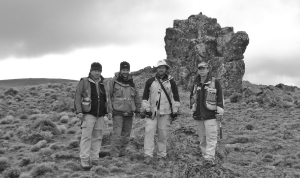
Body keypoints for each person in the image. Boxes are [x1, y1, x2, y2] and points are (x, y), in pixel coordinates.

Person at [141, 59, 180, 164]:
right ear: (156, 69)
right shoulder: (150, 81)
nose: (161, 69)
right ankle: (148, 155)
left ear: (166, 69)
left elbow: (175, 97)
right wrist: (147, 109)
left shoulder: (171, 81)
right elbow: (145, 97)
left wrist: (174, 110)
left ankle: (161, 155)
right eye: (159, 67)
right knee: (149, 133)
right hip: (151, 113)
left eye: (163, 67)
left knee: (163, 135)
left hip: (166, 112)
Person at [189, 61, 224, 166]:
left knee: (211, 137)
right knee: (202, 138)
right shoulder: (195, 83)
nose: (202, 70)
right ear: (198, 70)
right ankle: (205, 156)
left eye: (204, 68)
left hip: (211, 116)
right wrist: (192, 108)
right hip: (198, 116)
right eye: (200, 69)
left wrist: (220, 111)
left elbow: (220, 97)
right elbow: (191, 98)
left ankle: (209, 158)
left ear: (208, 69)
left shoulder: (215, 82)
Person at [74, 62, 107, 169]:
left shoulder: (104, 83)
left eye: (99, 71)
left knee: (97, 137)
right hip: (88, 114)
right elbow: (78, 96)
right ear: (91, 71)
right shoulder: (84, 81)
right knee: (86, 137)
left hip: (100, 115)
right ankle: (84, 160)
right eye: (95, 70)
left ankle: (94, 158)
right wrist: (79, 111)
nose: (97, 73)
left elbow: (107, 98)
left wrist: (108, 111)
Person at [107, 61, 142, 157]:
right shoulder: (113, 81)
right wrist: (109, 110)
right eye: (123, 70)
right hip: (117, 112)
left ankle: (122, 153)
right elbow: (108, 97)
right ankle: (114, 154)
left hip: (129, 112)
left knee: (126, 134)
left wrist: (138, 109)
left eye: (127, 70)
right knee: (117, 134)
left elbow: (136, 97)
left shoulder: (132, 82)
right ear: (120, 70)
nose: (125, 72)